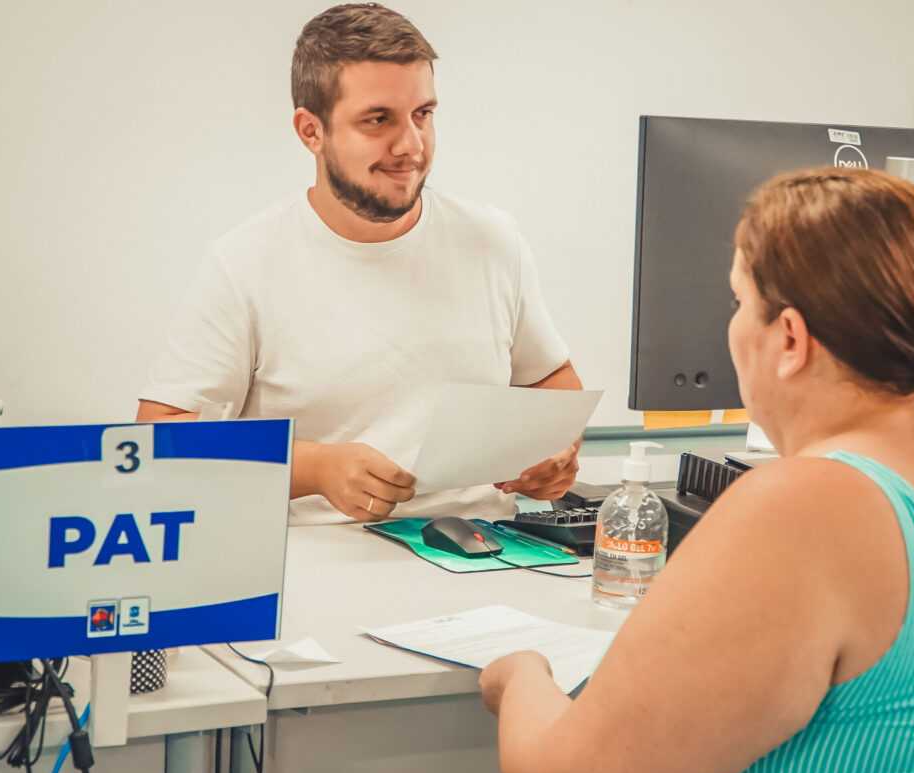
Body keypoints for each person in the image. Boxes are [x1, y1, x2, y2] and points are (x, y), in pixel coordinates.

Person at [479, 167, 914, 773]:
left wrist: (522, 674)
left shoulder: (807, 507)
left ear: (790, 338)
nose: (732, 326)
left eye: (739, 302)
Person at [137, 3, 583, 526]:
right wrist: (313, 467)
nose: (411, 145)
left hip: (488, 553)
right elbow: (158, 444)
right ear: (311, 131)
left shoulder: (491, 239)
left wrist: (556, 454)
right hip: (322, 566)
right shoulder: (244, 264)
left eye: (423, 114)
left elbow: (551, 383)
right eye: (378, 120)